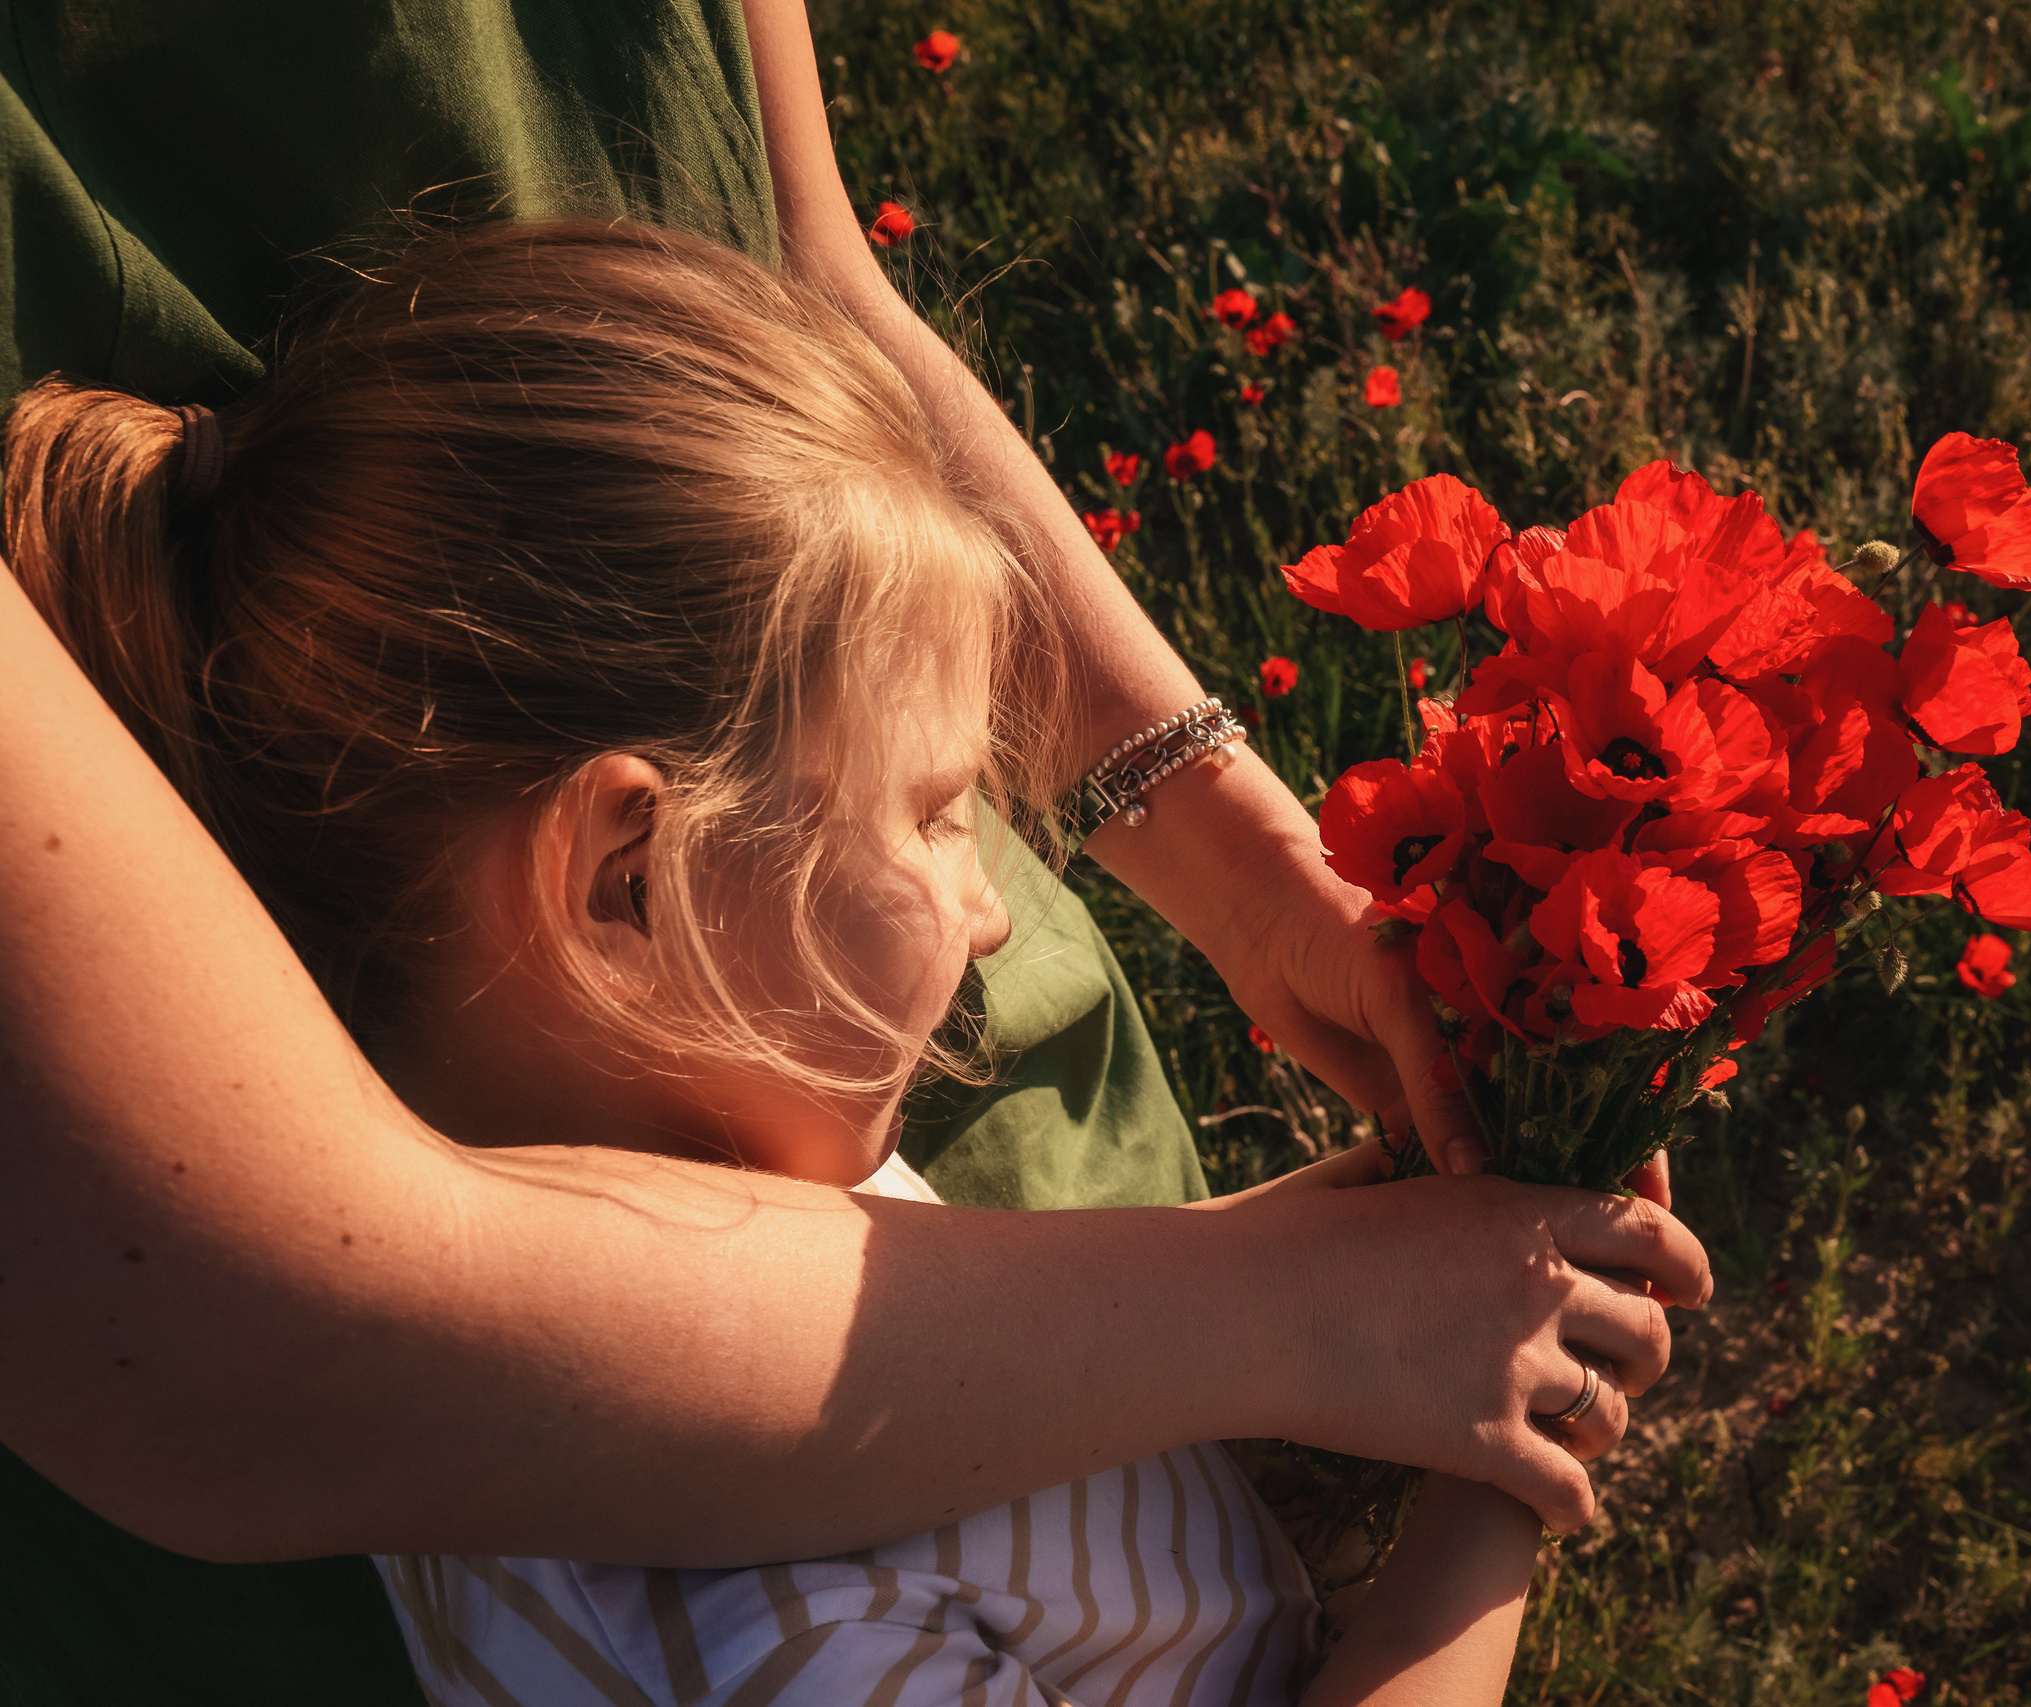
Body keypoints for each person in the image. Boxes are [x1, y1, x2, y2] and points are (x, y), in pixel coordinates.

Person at [0, 1, 1708, 1699]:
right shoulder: (778, 1632)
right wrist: (1493, 1491)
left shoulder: (706, 1153)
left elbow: (811, 255)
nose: (991, 913)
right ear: (624, 878)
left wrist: (1356, 1274)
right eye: (939, 814)